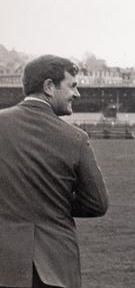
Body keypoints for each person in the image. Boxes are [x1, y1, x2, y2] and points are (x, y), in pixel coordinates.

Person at [0, 55, 109, 288]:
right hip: (55, 268)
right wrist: (54, 200)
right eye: (72, 86)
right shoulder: (76, 139)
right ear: (49, 87)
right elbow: (97, 204)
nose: (77, 94)